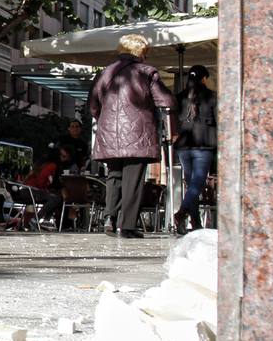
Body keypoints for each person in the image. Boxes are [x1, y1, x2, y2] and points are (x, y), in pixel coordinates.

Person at [88, 34, 176, 239]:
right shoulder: (146, 72)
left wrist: (105, 119)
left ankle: (109, 218)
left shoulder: (106, 72)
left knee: (114, 175)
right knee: (133, 179)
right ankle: (127, 225)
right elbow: (165, 100)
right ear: (140, 52)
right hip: (138, 133)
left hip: (109, 133)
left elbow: (93, 104)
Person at [174, 64, 217, 234]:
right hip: (204, 145)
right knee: (197, 184)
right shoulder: (212, 97)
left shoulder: (180, 97)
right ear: (204, 79)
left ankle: (196, 222)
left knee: (191, 184)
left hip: (184, 146)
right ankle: (182, 213)